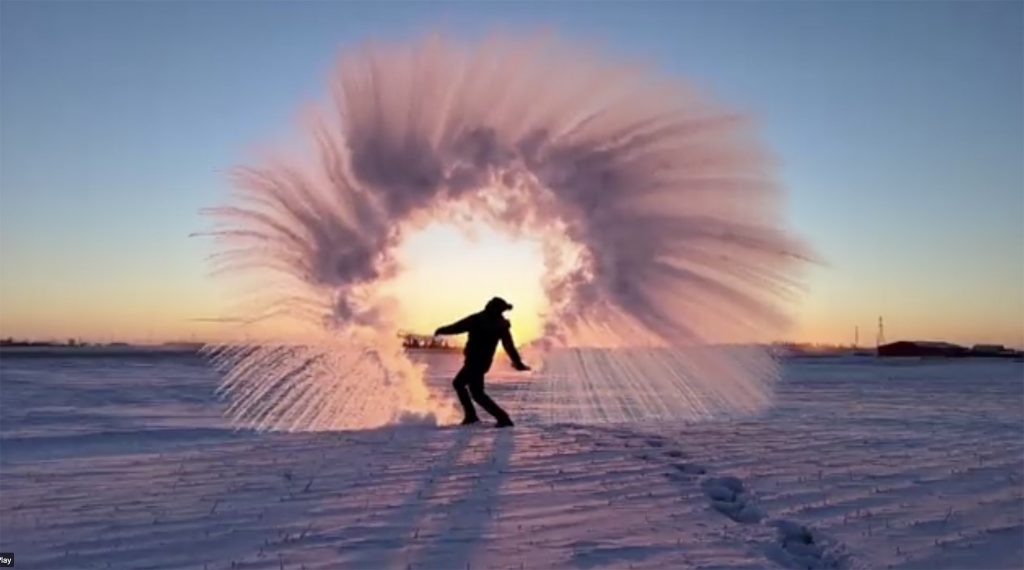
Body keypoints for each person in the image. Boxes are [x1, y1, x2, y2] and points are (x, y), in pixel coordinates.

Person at [434, 297, 530, 427]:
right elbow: (509, 347)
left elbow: (458, 327)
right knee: (476, 392)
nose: (488, 306)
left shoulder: (481, 319)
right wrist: (517, 363)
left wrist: (442, 330)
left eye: (490, 305)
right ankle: (492, 417)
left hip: (475, 362)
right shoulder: (499, 324)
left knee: (460, 384)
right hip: (481, 362)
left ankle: (485, 417)